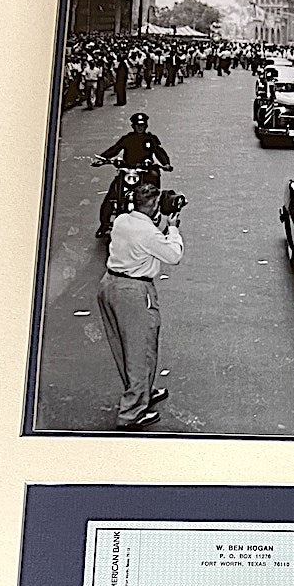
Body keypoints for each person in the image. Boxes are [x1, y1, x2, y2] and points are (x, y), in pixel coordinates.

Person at [97, 182, 184, 431]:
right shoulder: (149, 234)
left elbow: (144, 231)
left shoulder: (123, 220)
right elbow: (173, 256)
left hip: (109, 285)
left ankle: (142, 392)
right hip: (134, 292)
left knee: (124, 347)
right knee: (140, 350)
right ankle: (131, 413)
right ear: (155, 206)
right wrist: (174, 229)